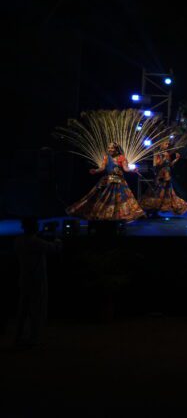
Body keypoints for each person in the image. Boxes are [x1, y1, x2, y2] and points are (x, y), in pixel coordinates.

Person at [66, 143, 145, 221]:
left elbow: (126, 169)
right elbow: (102, 168)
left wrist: (133, 170)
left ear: (116, 150)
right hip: (108, 181)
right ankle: (103, 215)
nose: (110, 150)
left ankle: (118, 217)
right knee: (103, 198)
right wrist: (95, 171)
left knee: (120, 200)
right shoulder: (106, 158)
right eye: (108, 148)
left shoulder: (122, 158)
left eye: (112, 148)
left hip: (119, 182)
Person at [13, 218, 60, 347]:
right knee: (36, 309)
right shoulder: (36, 242)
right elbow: (55, 248)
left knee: (22, 310)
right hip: (37, 280)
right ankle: (33, 338)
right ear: (34, 227)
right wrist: (57, 238)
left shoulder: (18, 241)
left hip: (24, 279)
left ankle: (18, 336)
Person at [139, 140, 187, 217]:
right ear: (161, 145)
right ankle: (152, 210)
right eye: (166, 144)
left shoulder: (166, 154)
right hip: (161, 177)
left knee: (168, 194)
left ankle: (158, 211)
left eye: (167, 144)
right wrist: (163, 158)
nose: (167, 145)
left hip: (167, 176)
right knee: (157, 193)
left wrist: (176, 159)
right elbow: (157, 164)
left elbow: (169, 165)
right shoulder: (158, 154)